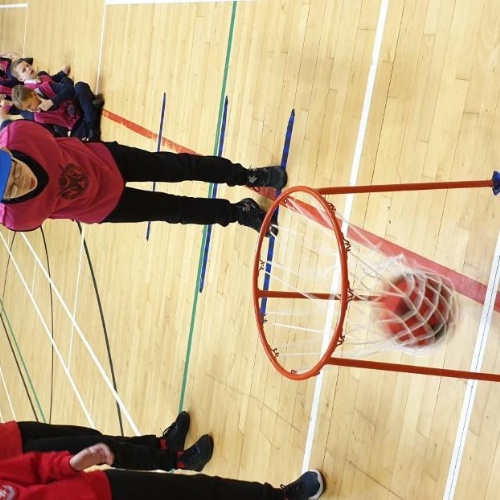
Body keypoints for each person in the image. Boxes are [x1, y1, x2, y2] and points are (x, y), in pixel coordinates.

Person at [0, 119, 287, 234]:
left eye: (14, 171)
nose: (20, 182)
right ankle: (239, 212)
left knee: (181, 167)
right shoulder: (16, 218)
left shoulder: (19, 134)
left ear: (6, 151)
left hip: (105, 159)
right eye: (10, 189)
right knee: (175, 211)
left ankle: (246, 175)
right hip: (101, 206)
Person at [0, 443, 325, 499]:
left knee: (201, 491)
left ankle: (279, 498)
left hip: (102, 489)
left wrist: (69, 463)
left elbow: (31, 468)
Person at [0, 411, 213, 472]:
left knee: (93, 437)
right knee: (102, 450)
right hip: (13, 461)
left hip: (9, 434)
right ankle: (180, 461)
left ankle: (164, 445)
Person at [11, 82, 104, 140]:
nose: (30, 110)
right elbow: (59, 130)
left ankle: (92, 126)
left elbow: (70, 89)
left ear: (34, 94)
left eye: (29, 105)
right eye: (26, 109)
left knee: (80, 86)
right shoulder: (39, 118)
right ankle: (93, 112)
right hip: (77, 123)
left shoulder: (46, 87)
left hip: (79, 105)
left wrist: (52, 101)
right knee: (73, 140)